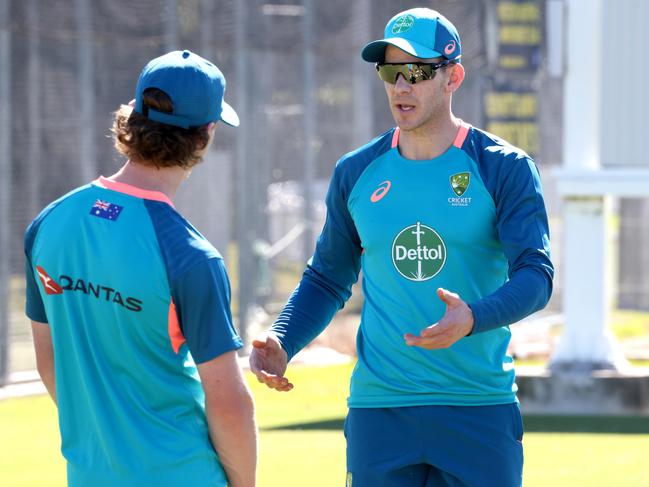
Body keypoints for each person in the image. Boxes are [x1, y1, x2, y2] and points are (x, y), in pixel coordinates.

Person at [250, 8, 553, 487]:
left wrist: (473, 317)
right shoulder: (356, 171)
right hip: (380, 410)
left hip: (477, 407)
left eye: (416, 71)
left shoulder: (503, 167)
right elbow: (328, 276)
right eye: (391, 72)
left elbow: (536, 277)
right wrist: (284, 339)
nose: (401, 86)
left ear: (453, 76)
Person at [25, 50, 257, 487]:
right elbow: (228, 402)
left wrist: (106, 440)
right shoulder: (192, 256)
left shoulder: (48, 224)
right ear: (206, 134)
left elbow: (49, 360)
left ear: (132, 115)